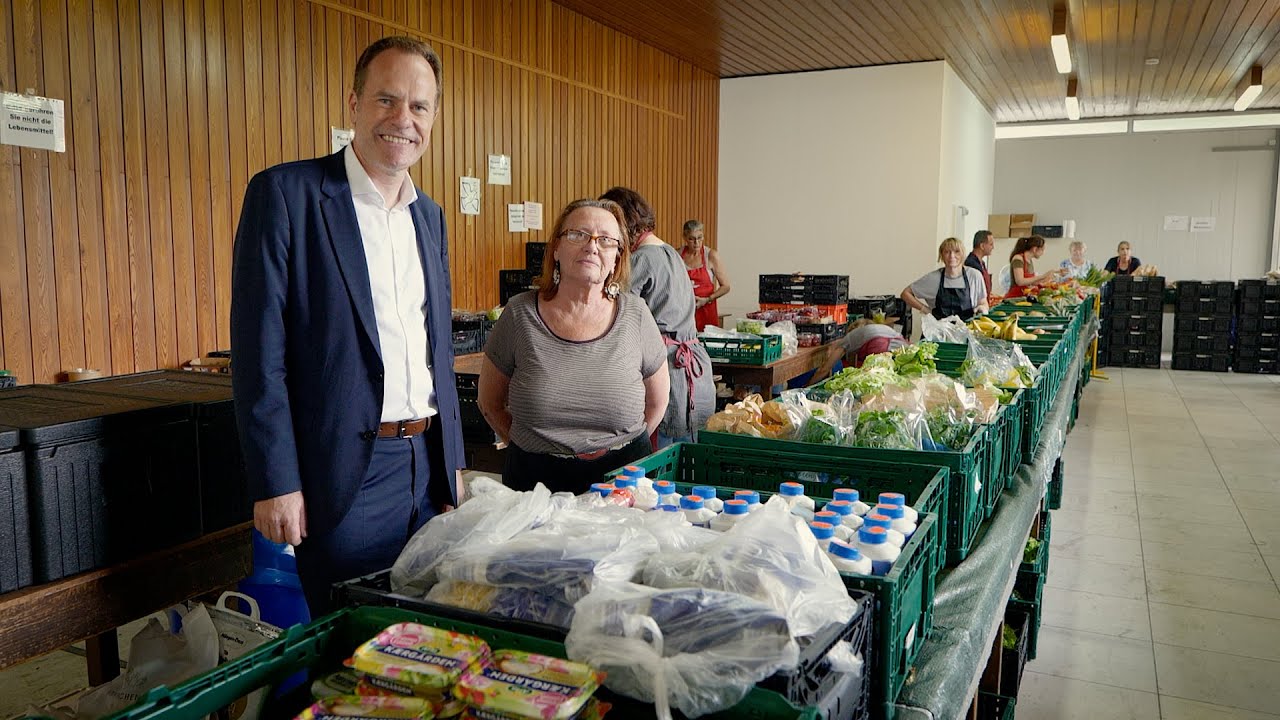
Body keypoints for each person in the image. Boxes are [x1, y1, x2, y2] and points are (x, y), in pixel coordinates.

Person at [230, 37, 465, 615]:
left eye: (419, 106)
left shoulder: (428, 216)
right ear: (354, 103)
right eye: (387, 100)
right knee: (350, 648)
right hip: (345, 472)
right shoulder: (287, 195)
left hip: (427, 465)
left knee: (424, 635)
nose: (402, 120)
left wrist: (453, 463)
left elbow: (434, 348)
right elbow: (261, 354)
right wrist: (275, 481)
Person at [478, 200, 670, 494]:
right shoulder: (519, 314)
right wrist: (534, 447)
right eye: (578, 235)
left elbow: (657, 404)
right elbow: (489, 402)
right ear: (555, 248)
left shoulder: (636, 314)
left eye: (606, 240)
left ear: (617, 258)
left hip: (623, 485)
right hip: (535, 485)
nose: (592, 246)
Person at [600, 187, 715, 446]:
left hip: (664, 368)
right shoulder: (671, 253)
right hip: (688, 367)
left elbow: (618, 316)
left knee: (656, 464)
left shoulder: (641, 260)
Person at [900, 237, 990, 321]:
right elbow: (905, 294)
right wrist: (926, 310)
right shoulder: (934, 278)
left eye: (956, 251)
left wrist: (982, 308)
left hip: (966, 331)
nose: (952, 256)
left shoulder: (974, 276)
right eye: (947, 252)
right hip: (939, 332)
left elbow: (983, 302)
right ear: (941, 255)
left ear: (963, 254)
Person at [812, 318, 909, 382]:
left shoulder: (850, 337)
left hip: (881, 348)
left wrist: (806, 387)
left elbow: (824, 369)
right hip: (905, 350)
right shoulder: (882, 328)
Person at [679, 220, 731, 331]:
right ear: (684, 237)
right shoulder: (677, 255)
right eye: (691, 239)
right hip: (685, 312)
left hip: (707, 310)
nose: (696, 243)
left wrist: (707, 299)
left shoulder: (711, 255)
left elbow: (726, 286)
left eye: (699, 238)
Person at [965, 230, 995, 298]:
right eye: (991, 244)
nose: (993, 247)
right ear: (982, 246)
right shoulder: (971, 264)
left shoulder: (982, 263)